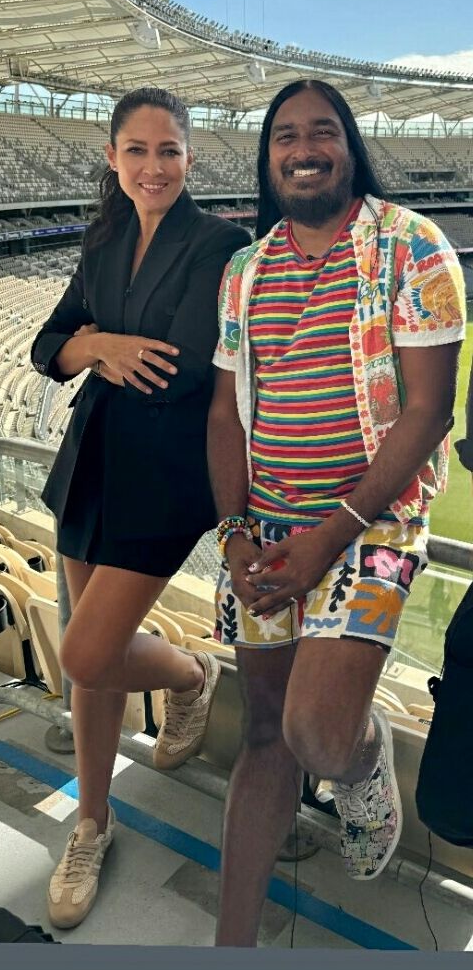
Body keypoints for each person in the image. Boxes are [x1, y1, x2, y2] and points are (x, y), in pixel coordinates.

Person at [207, 78, 466, 947]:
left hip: (370, 524)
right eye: (285, 135)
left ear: (349, 146)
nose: (303, 148)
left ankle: (361, 756)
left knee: (315, 734)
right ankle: (231, 948)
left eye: (322, 131)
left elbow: (429, 412)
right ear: (267, 156)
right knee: (264, 731)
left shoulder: (413, 247)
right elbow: (224, 413)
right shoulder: (244, 270)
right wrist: (234, 531)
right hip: (263, 531)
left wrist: (331, 535)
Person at [31, 86, 250, 930]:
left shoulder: (220, 243)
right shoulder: (102, 238)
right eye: (136, 150)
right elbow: (49, 344)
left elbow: (180, 367)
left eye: (168, 150)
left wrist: (95, 348)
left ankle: (193, 675)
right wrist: (97, 345)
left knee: (87, 652)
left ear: (190, 157)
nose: (152, 166)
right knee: (91, 663)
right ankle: (92, 821)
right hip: (89, 462)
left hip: (161, 477)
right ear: (112, 158)